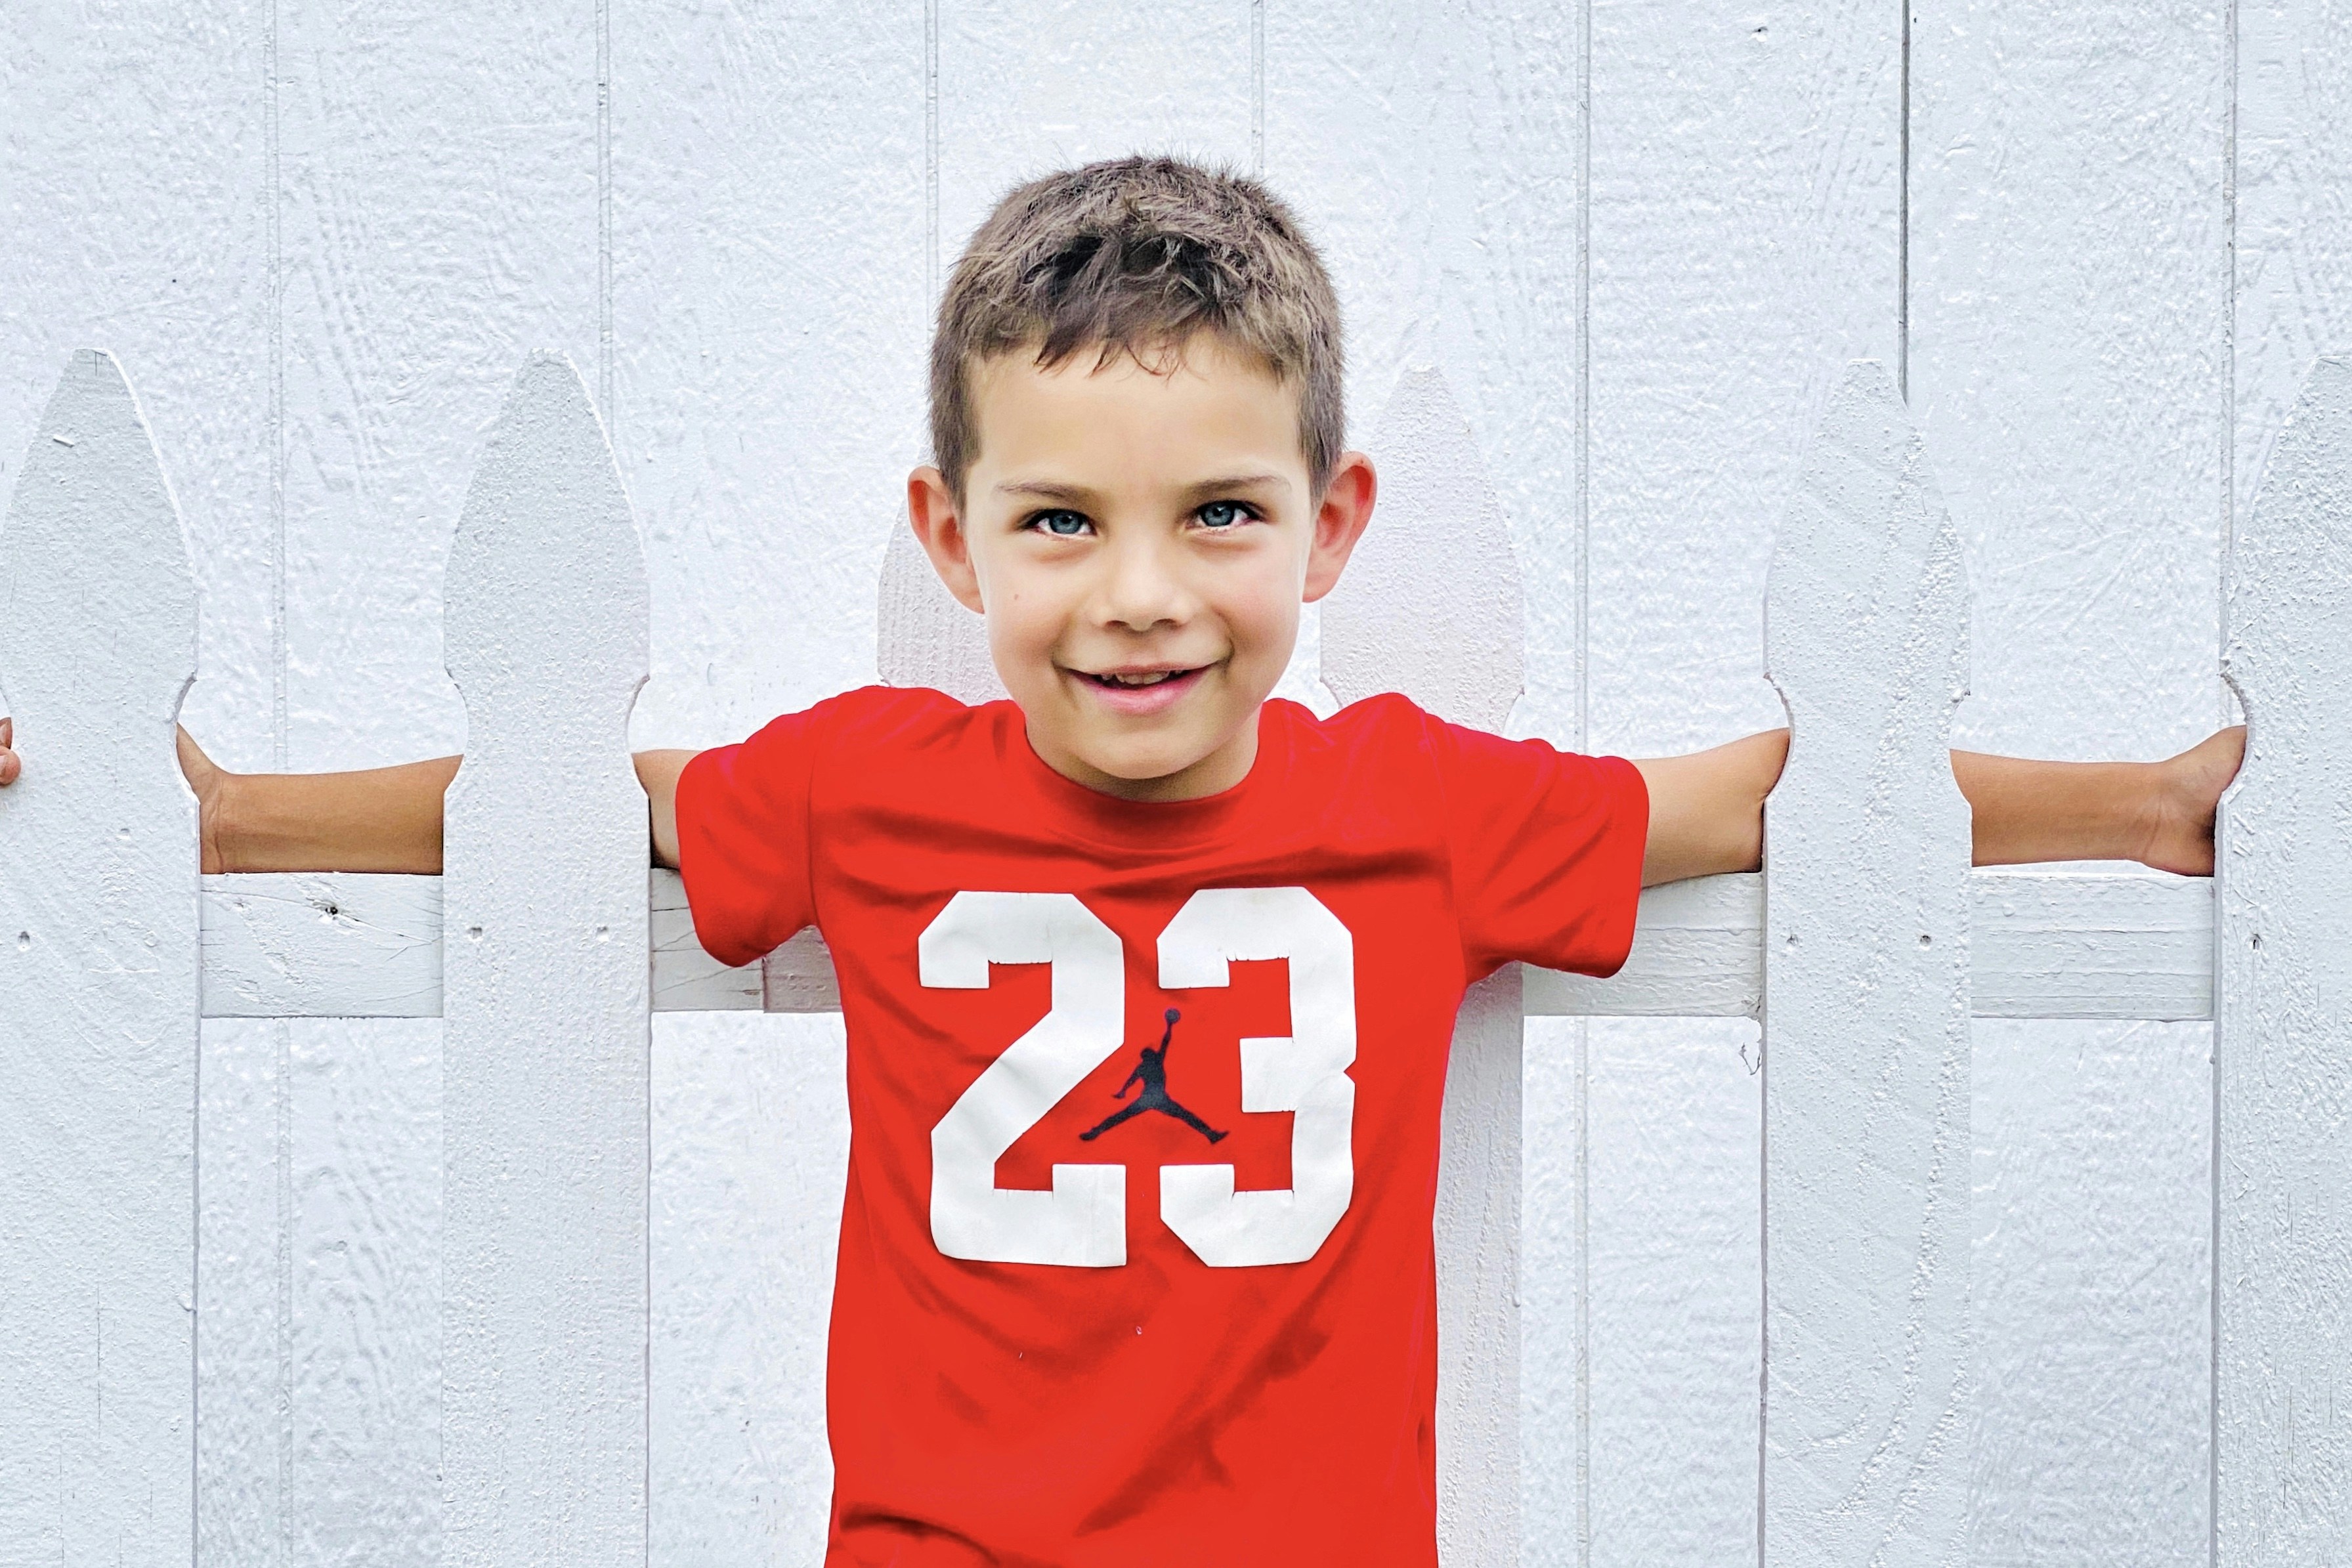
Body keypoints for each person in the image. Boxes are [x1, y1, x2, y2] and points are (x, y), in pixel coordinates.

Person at [0, 156, 2244, 1565]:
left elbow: (1779, 789)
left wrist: (2138, 803)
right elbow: (572, 789)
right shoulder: (872, 787)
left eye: (1221, 517)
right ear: (948, 535)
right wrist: (207, 818)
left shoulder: (1424, 808)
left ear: (1330, 529)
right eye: (1060, 521)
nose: (1140, 594)